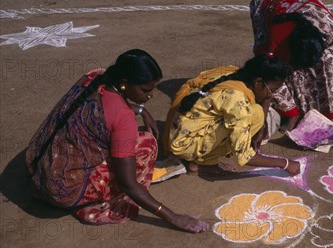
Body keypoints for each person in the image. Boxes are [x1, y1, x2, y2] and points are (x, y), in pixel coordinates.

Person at [25, 49, 207, 233]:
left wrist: (142, 110)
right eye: (145, 90)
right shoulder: (123, 117)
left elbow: (103, 108)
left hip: (42, 172)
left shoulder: (95, 77)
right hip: (63, 192)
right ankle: (102, 205)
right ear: (124, 83)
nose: (150, 95)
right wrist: (173, 217)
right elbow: (128, 184)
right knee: (146, 143)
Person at [163, 54, 301, 176]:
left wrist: (260, 129)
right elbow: (245, 157)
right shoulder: (237, 102)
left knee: (258, 114)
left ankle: (201, 159)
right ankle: (204, 163)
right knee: (252, 117)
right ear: (258, 82)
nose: (272, 95)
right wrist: (286, 163)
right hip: (184, 144)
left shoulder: (238, 75)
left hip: (183, 130)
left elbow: (265, 97)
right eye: (272, 90)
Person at [250, 0, 333, 133]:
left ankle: (322, 109)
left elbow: (324, 64)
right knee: (275, 71)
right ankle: (292, 112)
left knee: (326, 60)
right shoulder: (274, 42)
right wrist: (289, 112)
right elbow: (268, 75)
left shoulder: (328, 28)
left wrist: (325, 107)